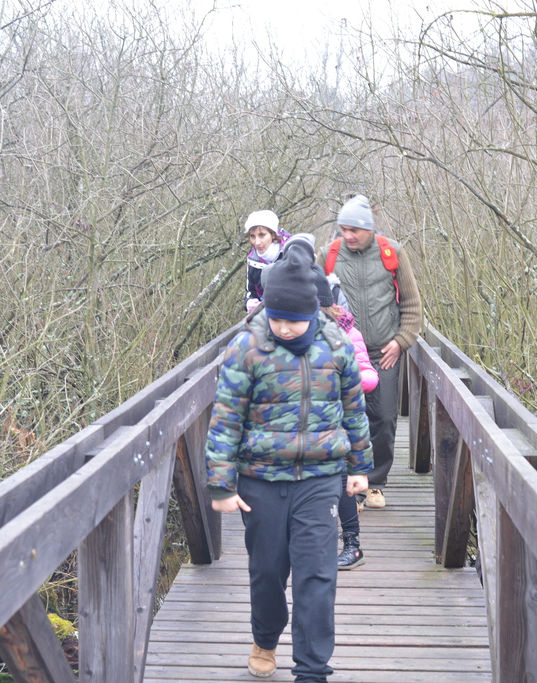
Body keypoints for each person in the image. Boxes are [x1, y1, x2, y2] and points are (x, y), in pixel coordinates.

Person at [205, 244, 373, 682]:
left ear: (313, 312)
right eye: (275, 317)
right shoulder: (246, 347)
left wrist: (360, 467)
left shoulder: (335, 346)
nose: (283, 327)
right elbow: (224, 419)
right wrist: (222, 487)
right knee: (267, 573)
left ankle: (313, 670)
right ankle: (265, 638)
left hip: (321, 478)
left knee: (317, 576)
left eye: (293, 319)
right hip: (259, 479)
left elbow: (354, 410)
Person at [281, 233, 378, 570]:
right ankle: (308, 542)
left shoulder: (344, 335)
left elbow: (362, 377)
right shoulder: (287, 327)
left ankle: (352, 542)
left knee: (339, 482)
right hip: (298, 427)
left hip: (334, 423)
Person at [323, 194, 421, 510]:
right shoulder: (329, 255)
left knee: (383, 417)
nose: (348, 236)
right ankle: (349, 483)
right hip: (342, 353)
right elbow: (311, 300)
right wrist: (327, 311)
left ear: (369, 229)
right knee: (342, 417)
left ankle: (375, 483)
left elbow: (411, 303)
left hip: (383, 352)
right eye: (343, 229)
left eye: (354, 230)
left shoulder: (393, 253)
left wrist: (402, 340)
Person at [243, 209, 291, 312]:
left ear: (273, 234)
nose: (257, 242)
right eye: (252, 236)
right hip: (265, 314)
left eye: (262, 235)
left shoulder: (292, 253)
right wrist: (248, 303)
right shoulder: (252, 259)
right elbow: (250, 291)